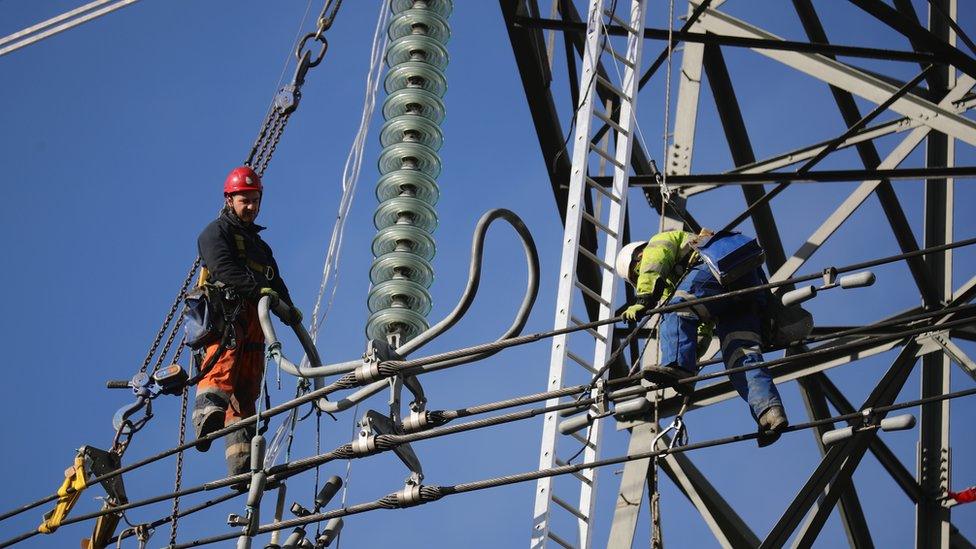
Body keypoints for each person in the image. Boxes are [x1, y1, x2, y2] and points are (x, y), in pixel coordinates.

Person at [615, 230, 789, 441]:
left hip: (715, 267)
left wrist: (643, 299)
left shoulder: (657, 243)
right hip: (748, 286)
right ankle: (769, 413)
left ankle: (679, 366)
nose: (640, 275)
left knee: (674, 309)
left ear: (638, 256)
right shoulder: (686, 282)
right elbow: (702, 325)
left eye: (636, 273)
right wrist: (694, 352)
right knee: (740, 355)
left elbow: (655, 261)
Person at [193, 166, 301, 475]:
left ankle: (240, 464)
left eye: (255, 201)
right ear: (229, 200)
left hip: (255, 318)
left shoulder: (261, 247)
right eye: (245, 201)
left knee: (247, 387)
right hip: (226, 314)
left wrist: (289, 310)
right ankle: (207, 418)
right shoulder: (215, 233)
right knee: (222, 363)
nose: (251, 207)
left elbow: (274, 281)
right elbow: (224, 268)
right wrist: (258, 290)